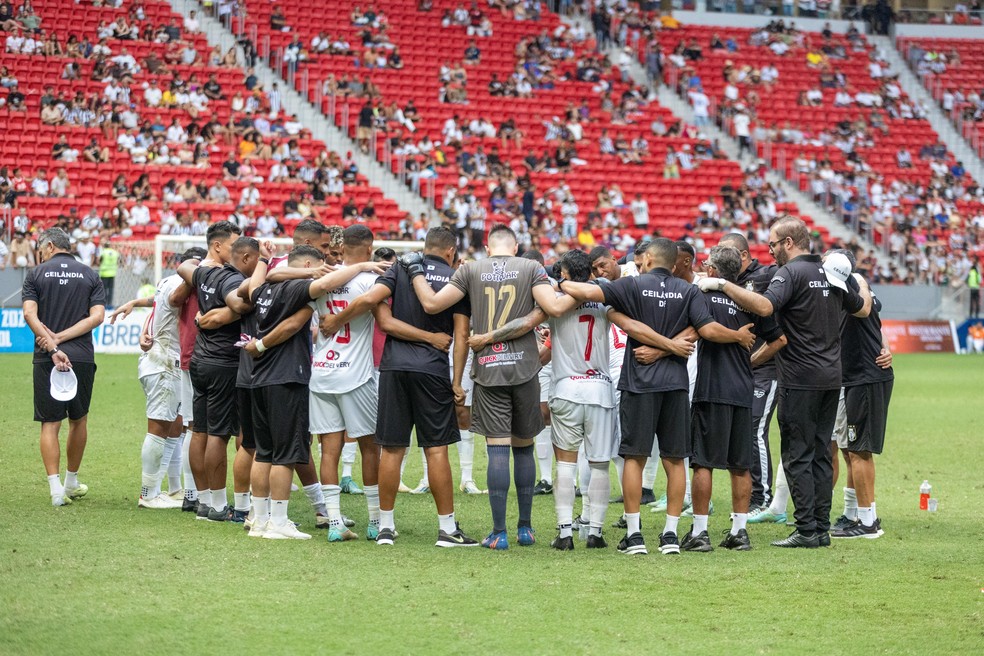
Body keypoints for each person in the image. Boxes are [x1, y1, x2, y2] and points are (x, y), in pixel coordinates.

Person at [560, 238, 754, 556]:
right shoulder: (689, 291)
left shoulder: (633, 286)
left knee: (634, 458)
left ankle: (634, 535)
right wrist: (670, 347)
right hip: (676, 384)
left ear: (648, 258)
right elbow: (702, 328)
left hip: (639, 382)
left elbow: (586, 293)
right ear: (673, 263)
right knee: (675, 460)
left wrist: (560, 282)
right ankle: (671, 535)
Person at [698, 217, 872, 548]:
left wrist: (721, 285)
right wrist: (860, 282)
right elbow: (862, 309)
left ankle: (806, 529)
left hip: (800, 377)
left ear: (788, 243)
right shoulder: (830, 272)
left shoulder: (790, 273)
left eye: (773, 244)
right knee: (821, 453)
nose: (770, 251)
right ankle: (820, 528)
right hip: (831, 377)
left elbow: (765, 306)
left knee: (796, 455)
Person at [404, 224, 573, 550]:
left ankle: (499, 532)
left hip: (489, 367)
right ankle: (525, 528)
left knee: (497, 447)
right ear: (516, 246)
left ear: (487, 247)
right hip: (525, 367)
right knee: (523, 446)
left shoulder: (470, 270)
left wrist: (415, 271)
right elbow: (552, 307)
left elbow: (433, 304)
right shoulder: (531, 267)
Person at [320, 226, 479, 546]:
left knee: (392, 449)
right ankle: (447, 529)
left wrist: (336, 320)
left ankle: (385, 527)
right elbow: (461, 334)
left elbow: (373, 306)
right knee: (436, 450)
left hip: (393, 367)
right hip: (432, 369)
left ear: (426, 245)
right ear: (451, 251)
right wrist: (457, 381)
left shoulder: (400, 269)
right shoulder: (456, 277)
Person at [242, 244, 386, 539]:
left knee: (272, 453)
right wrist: (360, 267)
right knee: (363, 448)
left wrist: (265, 260)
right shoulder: (310, 286)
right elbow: (294, 323)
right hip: (329, 375)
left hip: (304, 375)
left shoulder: (265, 289)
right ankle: (374, 522)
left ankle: (276, 521)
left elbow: (264, 280)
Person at [683, 246, 777, 552]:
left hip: (712, 389)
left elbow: (704, 331)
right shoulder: (748, 302)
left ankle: (700, 532)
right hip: (743, 389)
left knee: (703, 463)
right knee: (740, 465)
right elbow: (779, 339)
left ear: (711, 270)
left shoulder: (702, 296)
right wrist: (750, 362)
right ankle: (739, 532)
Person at [176, 224, 257, 522]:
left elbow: (183, 267)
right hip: (224, 362)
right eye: (234, 244)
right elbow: (239, 302)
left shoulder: (204, 273)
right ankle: (220, 505)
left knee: (199, 430)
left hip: (200, 360)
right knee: (218, 435)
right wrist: (234, 311)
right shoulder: (230, 277)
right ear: (219, 246)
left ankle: (203, 500)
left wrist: (213, 317)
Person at [309, 225, 385, 542]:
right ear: (369, 249)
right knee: (370, 448)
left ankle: (335, 523)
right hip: (356, 374)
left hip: (321, 371)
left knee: (329, 451)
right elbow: (381, 317)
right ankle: (375, 521)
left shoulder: (324, 279)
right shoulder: (370, 280)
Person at [22, 228, 106, 506]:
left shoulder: (35, 274)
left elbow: (29, 313)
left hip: (46, 356)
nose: (40, 255)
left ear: (49, 246)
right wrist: (62, 338)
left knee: (50, 423)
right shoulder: (90, 274)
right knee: (79, 419)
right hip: (81, 355)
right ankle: (71, 481)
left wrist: (51, 343)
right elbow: (97, 317)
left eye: (40, 249)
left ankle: (56, 489)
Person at [718, 233, 787, 516]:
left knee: (755, 428)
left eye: (728, 252)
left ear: (744, 255)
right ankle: (752, 495)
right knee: (744, 430)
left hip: (767, 369)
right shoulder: (727, 281)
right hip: (742, 370)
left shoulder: (767, 275)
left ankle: (762, 498)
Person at [828, 251, 893, 540]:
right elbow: (876, 322)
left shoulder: (853, 286)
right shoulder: (849, 286)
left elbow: (867, 312)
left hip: (864, 377)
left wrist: (860, 281)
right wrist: (885, 345)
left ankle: (868, 522)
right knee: (851, 448)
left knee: (859, 450)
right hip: (853, 377)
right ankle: (857, 515)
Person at [135, 251, 195, 509]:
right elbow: (174, 299)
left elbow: (157, 309)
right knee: (159, 428)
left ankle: (163, 489)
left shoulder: (165, 282)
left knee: (173, 426)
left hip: (161, 362)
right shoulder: (178, 285)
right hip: (164, 364)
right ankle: (148, 494)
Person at [97, 239, 120, 307]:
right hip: (112, 273)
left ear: (104, 246)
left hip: (104, 273)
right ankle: (110, 304)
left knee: (104, 290)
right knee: (111, 290)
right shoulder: (115, 252)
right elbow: (118, 261)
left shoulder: (103, 252)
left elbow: (99, 261)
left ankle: (104, 304)